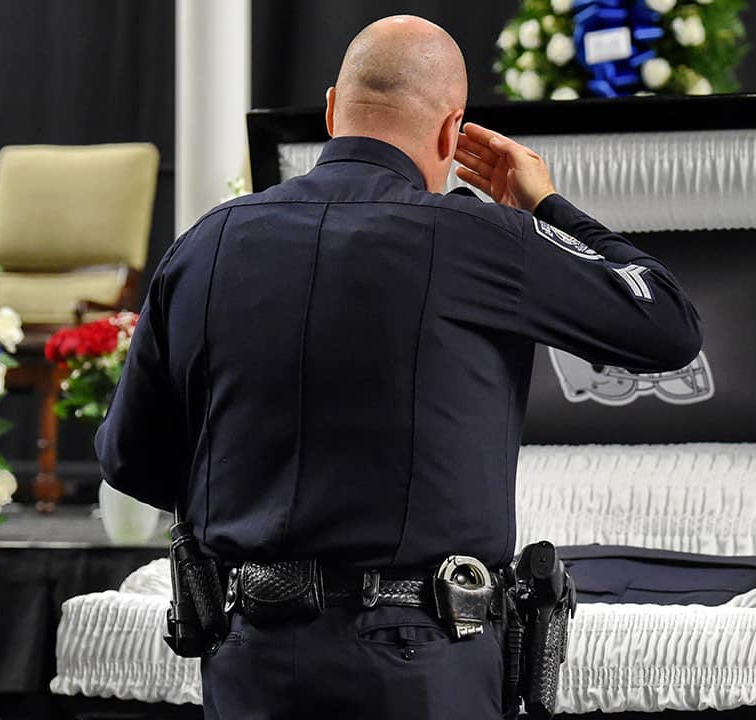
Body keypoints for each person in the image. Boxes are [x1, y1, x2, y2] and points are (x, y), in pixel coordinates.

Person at [95, 14, 702, 720]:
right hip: (421, 669)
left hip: (249, 661)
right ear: (451, 133)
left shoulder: (205, 244)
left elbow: (130, 460)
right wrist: (545, 203)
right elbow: (668, 325)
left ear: (331, 110)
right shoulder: (483, 240)